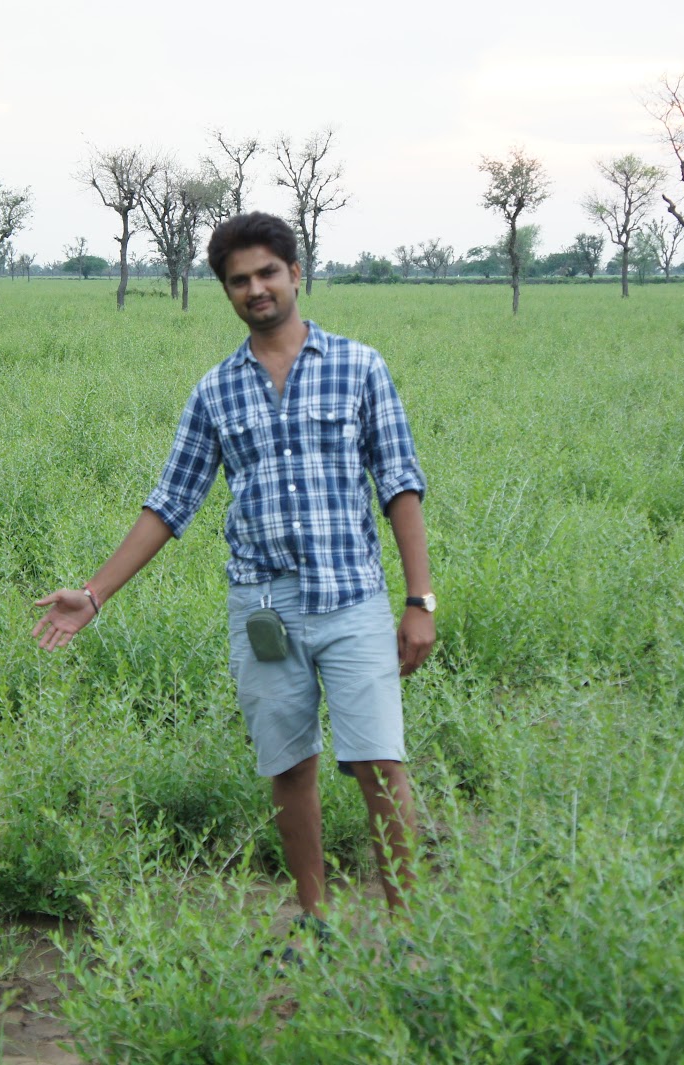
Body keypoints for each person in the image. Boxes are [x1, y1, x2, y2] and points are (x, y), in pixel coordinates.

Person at [32, 211, 435, 936]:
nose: (256, 289)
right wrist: (93, 594)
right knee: (290, 768)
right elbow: (171, 500)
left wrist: (419, 600)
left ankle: (410, 934)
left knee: (380, 764)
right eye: (239, 279)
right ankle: (316, 924)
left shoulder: (359, 366)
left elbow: (399, 484)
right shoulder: (216, 390)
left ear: (295, 275)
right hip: (265, 608)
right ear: (225, 290)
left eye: (267, 273)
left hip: (351, 599)